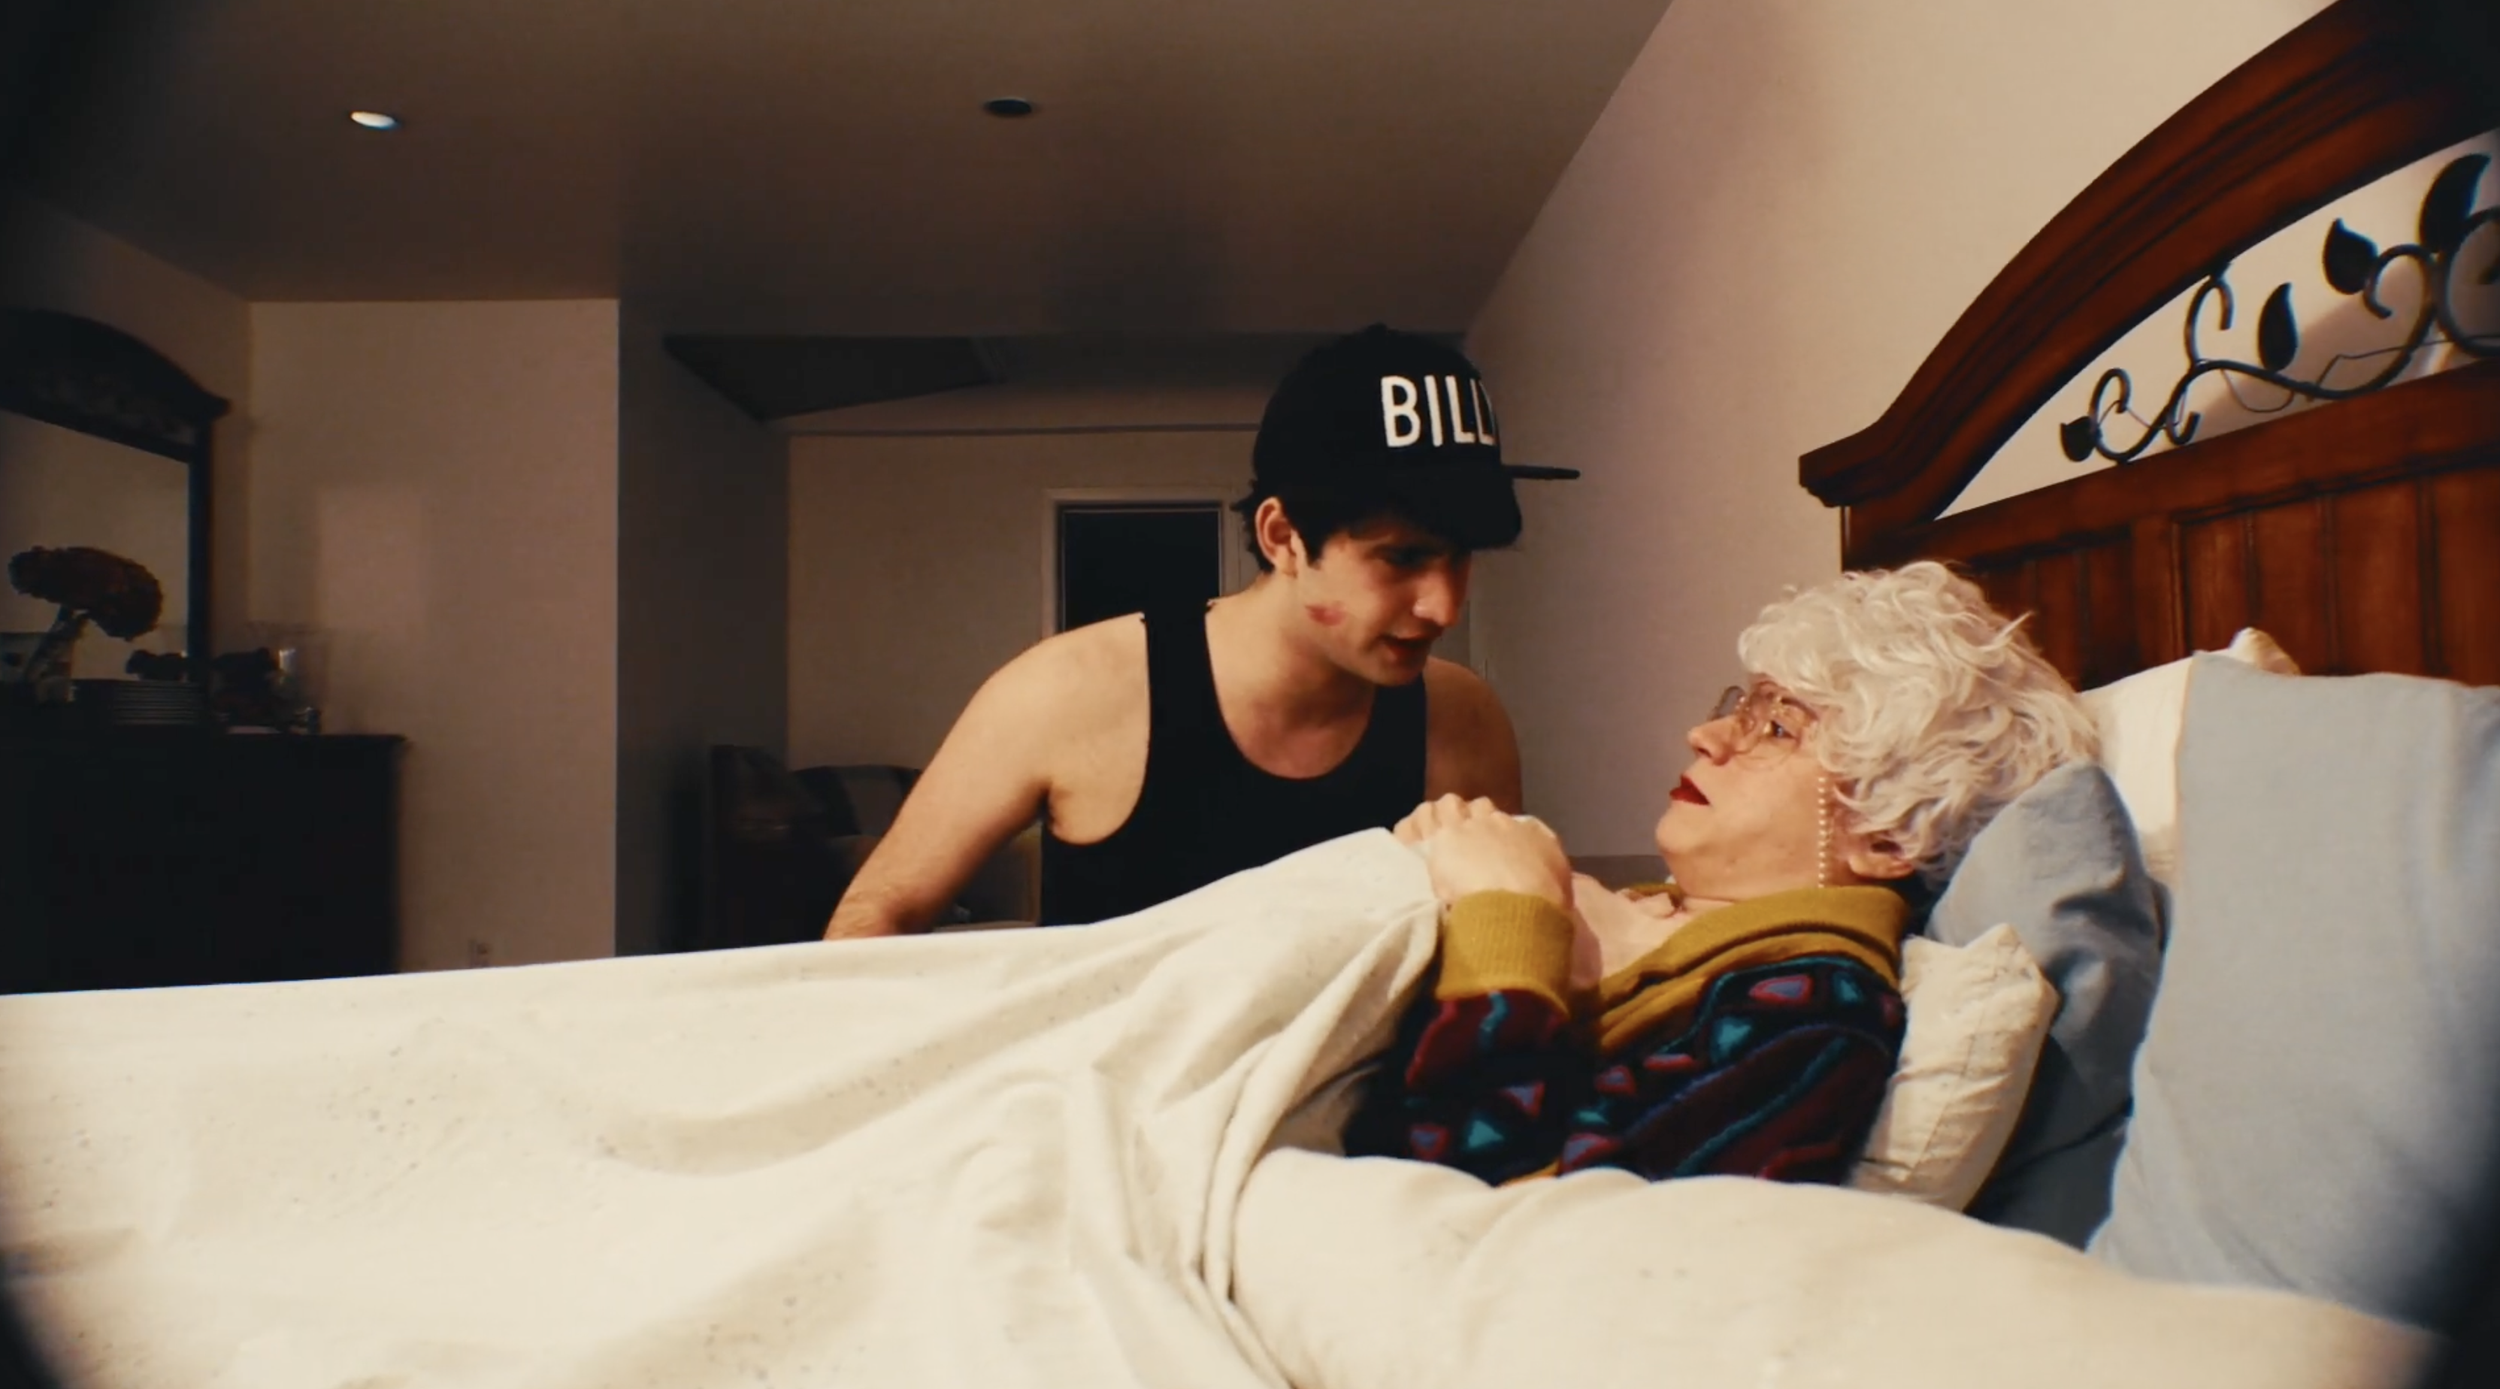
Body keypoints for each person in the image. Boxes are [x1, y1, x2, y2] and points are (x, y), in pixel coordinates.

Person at [1345, 561, 2099, 1186]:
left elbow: (1494, 1205)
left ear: (1891, 833)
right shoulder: (1644, 918)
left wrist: (1506, 914)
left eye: (1776, 726)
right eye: (1740, 706)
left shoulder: (1814, 1019)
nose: (1705, 735)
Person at [824, 325, 1581, 938]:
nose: (1443, 608)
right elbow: (874, 916)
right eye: (1403, 558)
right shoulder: (1069, 688)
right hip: (1109, 1113)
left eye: (1462, 559)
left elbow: (1495, 940)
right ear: (1283, 537)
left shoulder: (1462, 718)